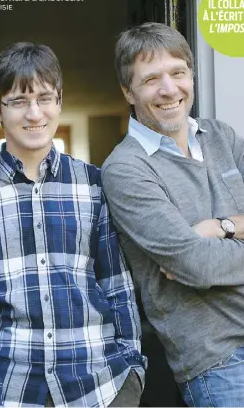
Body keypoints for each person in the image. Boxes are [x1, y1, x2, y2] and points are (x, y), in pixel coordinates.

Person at [0, 42, 147, 408]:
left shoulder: (94, 183)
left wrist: (133, 373)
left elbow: (117, 284)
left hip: (101, 387)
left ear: (59, 101)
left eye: (45, 98)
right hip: (15, 391)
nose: (35, 113)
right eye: (18, 101)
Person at [101, 22, 244, 408]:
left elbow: (201, 255)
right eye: (151, 80)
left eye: (178, 73)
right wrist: (210, 246)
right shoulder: (126, 169)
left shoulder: (223, 138)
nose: (169, 89)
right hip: (221, 362)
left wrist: (221, 227)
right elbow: (194, 263)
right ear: (128, 92)